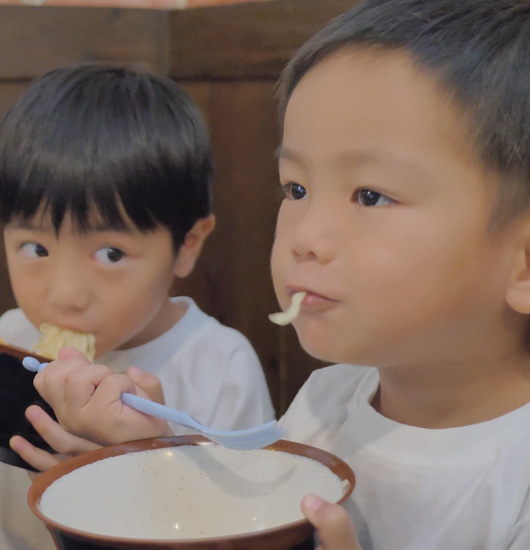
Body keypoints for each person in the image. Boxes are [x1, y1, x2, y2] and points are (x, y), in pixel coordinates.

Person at [24, 0, 530, 548]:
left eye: (371, 196)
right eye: (296, 189)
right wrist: (146, 463)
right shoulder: (325, 400)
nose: (305, 237)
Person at [0, 64, 274, 550]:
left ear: (187, 244)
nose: (65, 295)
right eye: (35, 249)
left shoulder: (219, 364)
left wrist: (148, 463)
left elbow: (247, 525)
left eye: (110, 254)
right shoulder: (9, 343)